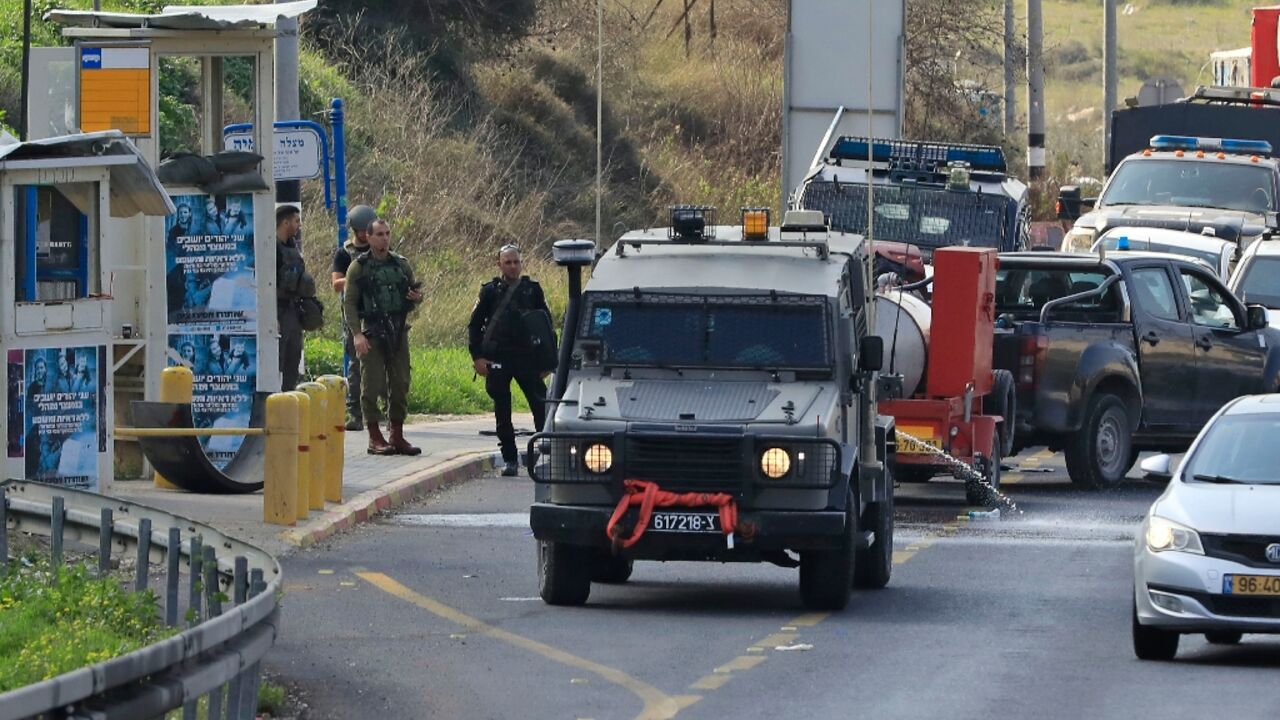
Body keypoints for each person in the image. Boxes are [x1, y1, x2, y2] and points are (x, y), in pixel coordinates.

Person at [468, 245, 554, 476]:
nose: (513, 266)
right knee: (502, 410)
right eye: (508, 262)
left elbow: (545, 326)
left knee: (541, 406)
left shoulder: (532, 290)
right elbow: (474, 326)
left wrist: (548, 361)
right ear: (499, 265)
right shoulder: (490, 291)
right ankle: (510, 459)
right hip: (498, 357)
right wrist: (477, 357)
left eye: (516, 262)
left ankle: (546, 455)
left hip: (527, 357)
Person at [343, 218, 423, 456]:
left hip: (398, 331)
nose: (385, 238)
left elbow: (414, 295)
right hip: (373, 331)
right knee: (371, 384)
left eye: (387, 233)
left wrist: (416, 298)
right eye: (379, 234)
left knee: (401, 383)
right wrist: (357, 334)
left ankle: (396, 434)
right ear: (368, 237)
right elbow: (349, 303)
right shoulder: (358, 267)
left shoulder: (401, 264)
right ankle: (374, 436)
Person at [331, 204, 378, 431]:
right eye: (361, 231)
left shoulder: (379, 249)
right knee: (356, 365)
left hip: (378, 313)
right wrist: (357, 277)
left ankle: (380, 411)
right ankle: (355, 413)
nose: (365, 235)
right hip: (354, 315)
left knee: (382, 364)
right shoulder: (344, 253)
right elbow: (336, 284)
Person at [276, 205, 309, 391]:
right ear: (285, 222)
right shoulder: (272, 248)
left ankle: (288, 396)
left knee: (293, 358)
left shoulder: (292, 247)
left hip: (293, 310)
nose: (299, 225)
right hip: (279, 311)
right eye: (296, 221)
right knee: (277, 360)